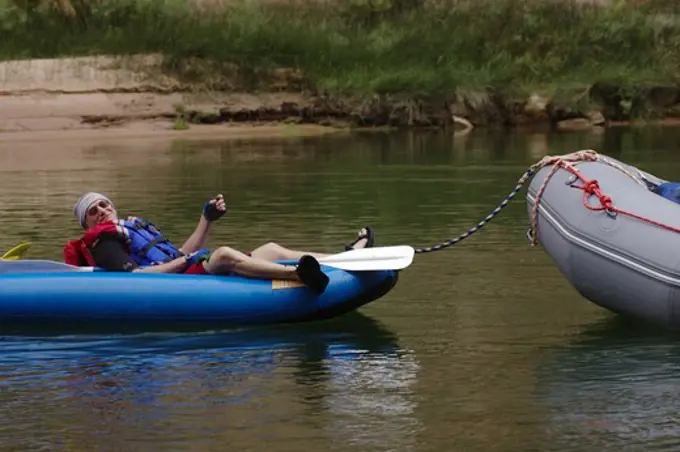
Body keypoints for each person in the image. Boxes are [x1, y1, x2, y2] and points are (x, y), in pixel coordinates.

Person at [63, 192, 375, 294]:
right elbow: (135, 278)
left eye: (105, 205)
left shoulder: (131, 227)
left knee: (272, 248)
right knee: (225, 253)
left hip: (188, 268)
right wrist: (184, 263)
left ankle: (346, 258)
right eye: (93, 211)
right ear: (87, 223)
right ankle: (301, 276)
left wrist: (207, 218)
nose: (102, 211)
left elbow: (182, 252)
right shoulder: (103, 242)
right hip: (176, 284)